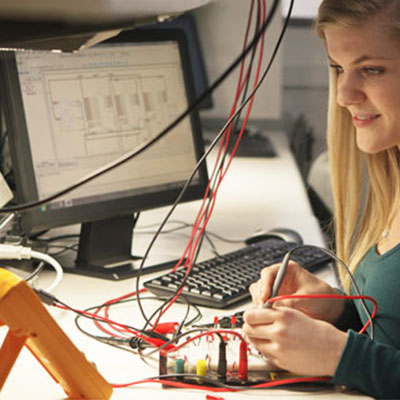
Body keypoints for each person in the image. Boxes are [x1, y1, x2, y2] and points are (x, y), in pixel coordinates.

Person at [242, 1, 400, 398]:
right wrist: (337, 311)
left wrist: (340, 356)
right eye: (337, 68)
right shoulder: (393, 169)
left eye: (372, 69)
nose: (344, 94)